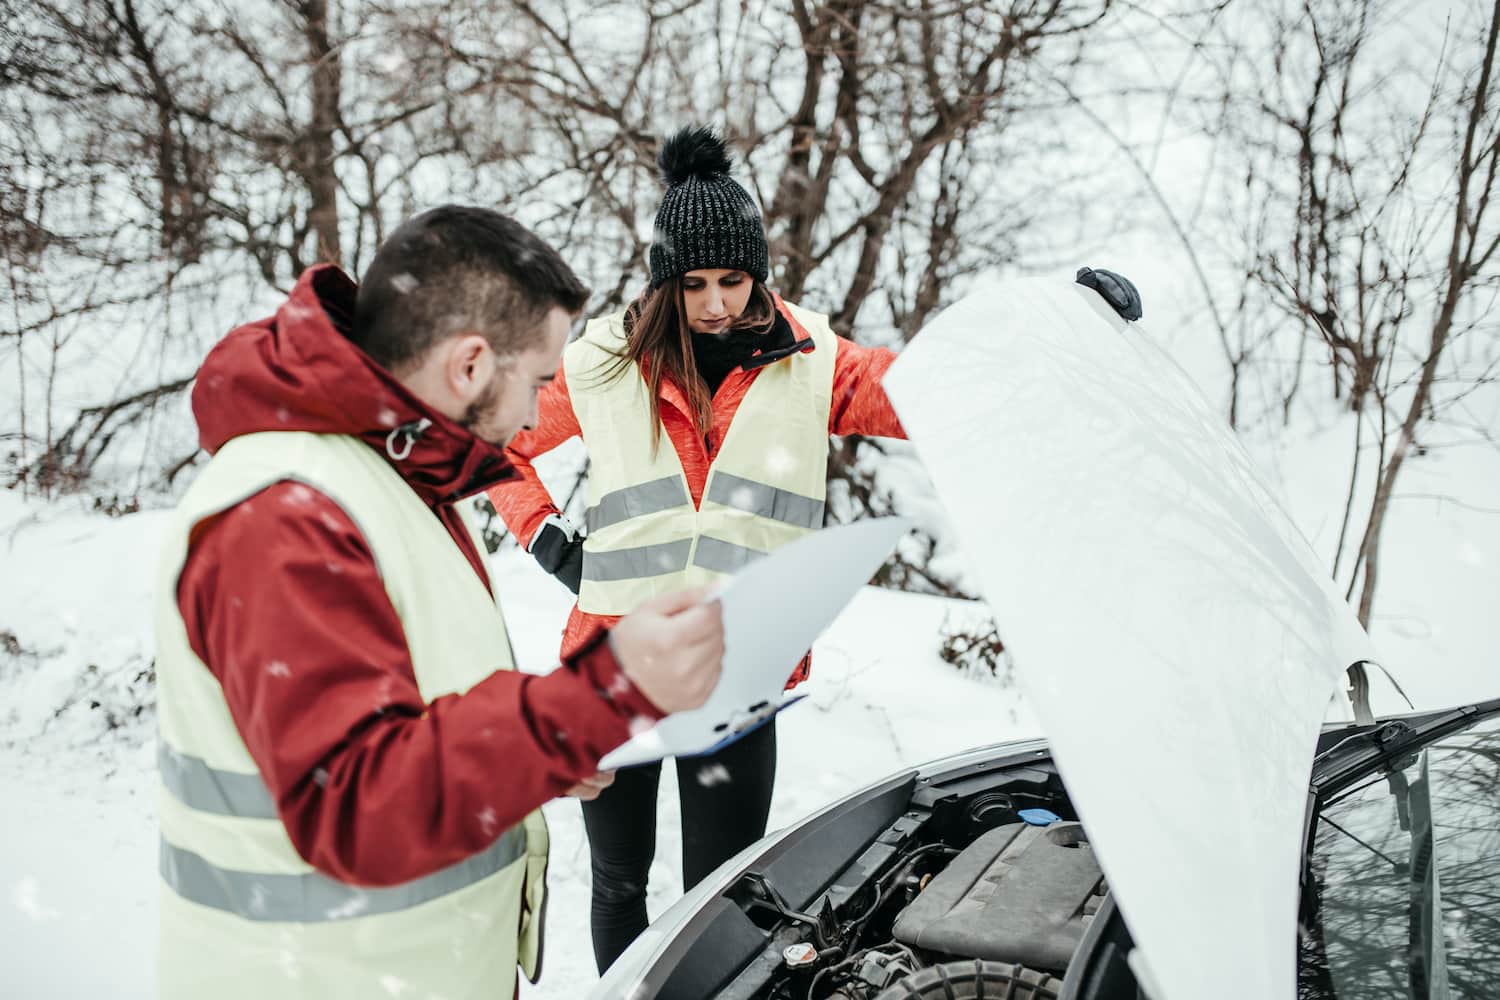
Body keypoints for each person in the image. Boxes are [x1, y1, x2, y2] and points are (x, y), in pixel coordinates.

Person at [152, 206, 726, 1000]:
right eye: (537, 381)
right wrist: (594, 700)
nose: (534, 415)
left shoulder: (390, 472)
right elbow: (354, 799)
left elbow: (408, 710)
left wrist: (540, 757)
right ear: (469, 364)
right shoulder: (285, 514)